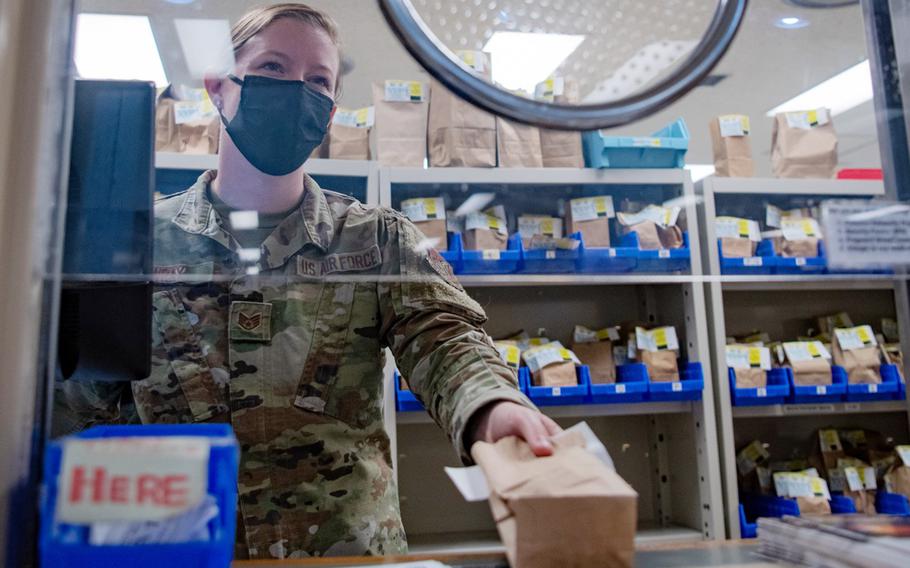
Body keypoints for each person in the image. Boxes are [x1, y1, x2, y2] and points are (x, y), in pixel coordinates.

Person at [55, 2, 561, 560]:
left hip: (342, 553)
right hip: (179, 547)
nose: (296, 89)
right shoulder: (139, 243)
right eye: (272, 67)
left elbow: (444, 338)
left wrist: (492, 405)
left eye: (317, 80)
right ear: (219, 87)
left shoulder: (376, 240)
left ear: (329, 111)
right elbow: (87, 409)